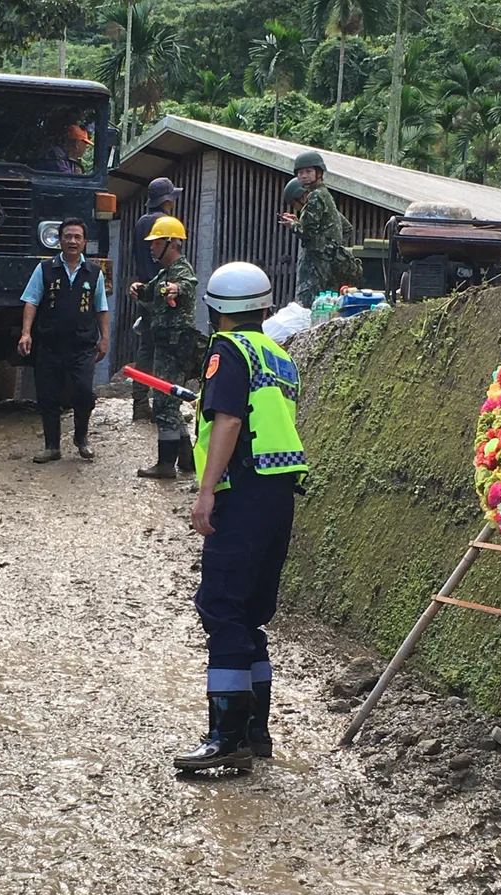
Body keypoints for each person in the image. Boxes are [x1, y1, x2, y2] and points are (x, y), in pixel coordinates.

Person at [173, 262, 308, 773]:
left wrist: (206, 491)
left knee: (221, 605)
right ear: (264, 307)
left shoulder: (228, 350)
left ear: (216, 310)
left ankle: (224, 737)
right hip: (278, 493)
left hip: (242, 489)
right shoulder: (278, 354)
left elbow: (229, 420)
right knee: (249, 612)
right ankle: (255, 733)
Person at [17, 218, 109, 462]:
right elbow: (31, 301)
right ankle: (51, 446)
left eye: (78, 237)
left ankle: (81, 438)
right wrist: (26, 333)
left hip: (82, 345)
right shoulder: (45, 269)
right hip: (49, 343)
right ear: (59, 240)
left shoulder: (95, 272)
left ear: (85, 242)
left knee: (83, 393)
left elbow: (101, 307)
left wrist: (105, 338)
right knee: (48, 395)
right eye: (68, 236)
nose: (72, 241)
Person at [129, 216, 197, 479]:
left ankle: (166, 464)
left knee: (164, 403)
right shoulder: (164, 273)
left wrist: (175, 289)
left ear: (172, 243)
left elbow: (187, 286)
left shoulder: (180, 271)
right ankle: (186, 459)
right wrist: (139, 289)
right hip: (166, 345)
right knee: (169, 402)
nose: (151, 247)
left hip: (174, 345)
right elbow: (152, 291)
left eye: (156, 242)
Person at [131, 177, 184, 423]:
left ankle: (140, 403)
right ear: (167, 200)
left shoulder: (141, 222)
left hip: (145, 291)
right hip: (164, 293)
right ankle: (166, 406)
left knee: (146, 348)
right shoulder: (167, 224)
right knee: (168, 350)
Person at [279, 151, 350, 308]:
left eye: (308, 171)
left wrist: (293, 226)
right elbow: (345, 228)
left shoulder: (315, 196)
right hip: (330, 264)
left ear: (319, 173)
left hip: (316, 266)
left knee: (309, 307)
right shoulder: (325, 194)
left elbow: (307, 234)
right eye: (300, 172)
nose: (304, 176)